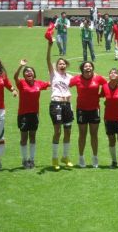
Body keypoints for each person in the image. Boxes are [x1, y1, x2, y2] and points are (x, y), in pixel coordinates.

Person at [69, 61, 106, 168]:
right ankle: (81, 157)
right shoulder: (76, 79)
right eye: (86, 66)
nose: (88, 68)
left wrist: (102, 95)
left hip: (94, 110)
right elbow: (65, 84)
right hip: (81, 110)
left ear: (92, 68)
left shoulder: (98, 78)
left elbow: (107, 85)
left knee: (94, 134)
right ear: (82, 69)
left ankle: (95, 157)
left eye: (90, 66)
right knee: (82, 134)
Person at [14, 59, 50, 169]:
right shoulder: (21, 83)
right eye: (26, 72)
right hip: (23, 114)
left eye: (30, 71)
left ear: (34, 73)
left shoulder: (39, 83)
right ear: (24, 75)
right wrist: (21, 66)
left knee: (33, 136)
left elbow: (51, 83)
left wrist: (54, 74)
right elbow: (15, 77)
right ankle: (24, 160)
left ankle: (32, 160)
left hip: (34, 114)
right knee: (24, 138)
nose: (29, 73)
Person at [46, 41, 74, 170]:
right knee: (57, 131)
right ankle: (55, 158)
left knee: (68, 132)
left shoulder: (70, 77)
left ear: (66, 65)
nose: (62, 65)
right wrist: (50, 46)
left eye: (63, 64)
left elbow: (86, 79)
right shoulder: (54, 74)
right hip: (56, 104)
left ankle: (65, 156)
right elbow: (48, 59)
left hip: (67, 105)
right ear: (56, 66)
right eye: (59, 64)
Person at [100, 68, 118, 168]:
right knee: (111, 140)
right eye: (111, 72)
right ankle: (114, 161)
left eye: (115, 73)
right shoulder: (104, 86)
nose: (113, 74)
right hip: (108, 118)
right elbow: (101, 96)